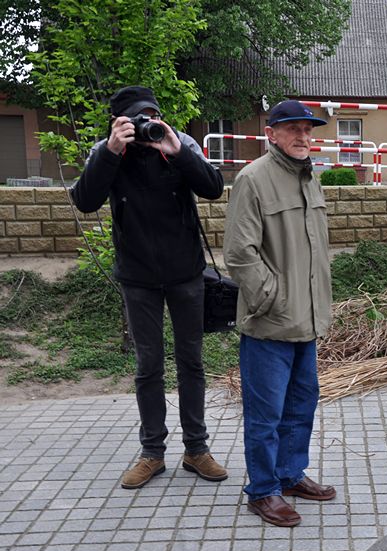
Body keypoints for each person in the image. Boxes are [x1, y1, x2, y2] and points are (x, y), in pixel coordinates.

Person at [72, 86, 227, 489]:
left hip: (186, 274)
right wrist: (111, 150)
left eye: (152, 116)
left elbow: (213, 187)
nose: (146, 125)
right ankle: (152, 454)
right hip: (138, 277)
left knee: (191, 362)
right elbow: (85, 201)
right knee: (148, 367)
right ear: (119, 122)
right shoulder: (105, 152)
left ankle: (196, 450)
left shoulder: (178, 143)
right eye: (137, 119)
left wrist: (179, 150)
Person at [223, 100, 335, 528]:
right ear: (271, 134)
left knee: (301, 406)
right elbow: (239, 252)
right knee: (265, 415)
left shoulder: (310, 180)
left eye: (307, 130)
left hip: (305, 322)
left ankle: (290, 475)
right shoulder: (253, 180)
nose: (303, 137)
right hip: (270, 323)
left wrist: (316, 303)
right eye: (292, 130)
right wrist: (271, 297)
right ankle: (264, 490)